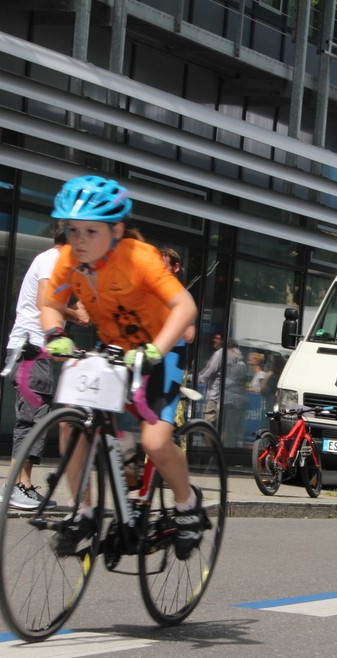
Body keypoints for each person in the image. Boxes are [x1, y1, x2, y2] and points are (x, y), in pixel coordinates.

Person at [39, 175, 203, 558]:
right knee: (72, 422)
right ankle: (85, 510)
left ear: (116, 230)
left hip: (161, 347)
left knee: (156, 441)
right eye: (71, 230)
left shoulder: (139, 258)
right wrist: (53, 334)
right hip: (111, 348)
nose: (78, 240)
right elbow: (49, 302)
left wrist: (156, 350)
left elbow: (186, 308)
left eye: (89, 231)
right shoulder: (68, 260)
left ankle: (187, 505)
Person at [0, 224, 87, 510]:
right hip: (32, 347)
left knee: (35, 416)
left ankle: (22, 485)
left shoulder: (57, 262)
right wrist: (77, 314)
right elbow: (45, 300)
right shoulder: (52, 259)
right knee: (33, 419)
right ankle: (14, 486)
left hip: (36, 348)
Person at [222, 339, 246, 445]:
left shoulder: (238, 366)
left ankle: (229, 445)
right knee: (232, 426)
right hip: (235, 400)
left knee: (230, 426)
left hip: (233, 401)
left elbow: (230, 380)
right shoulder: (241, 365)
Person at [198, 331, 223, 425]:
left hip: (213, 395)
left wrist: (198, 379)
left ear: (222, 340)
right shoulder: (224, 354)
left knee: (208, 424)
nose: (214, 340)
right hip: (218, 395)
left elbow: (210, 371)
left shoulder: (218, 354)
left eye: (217, 338)